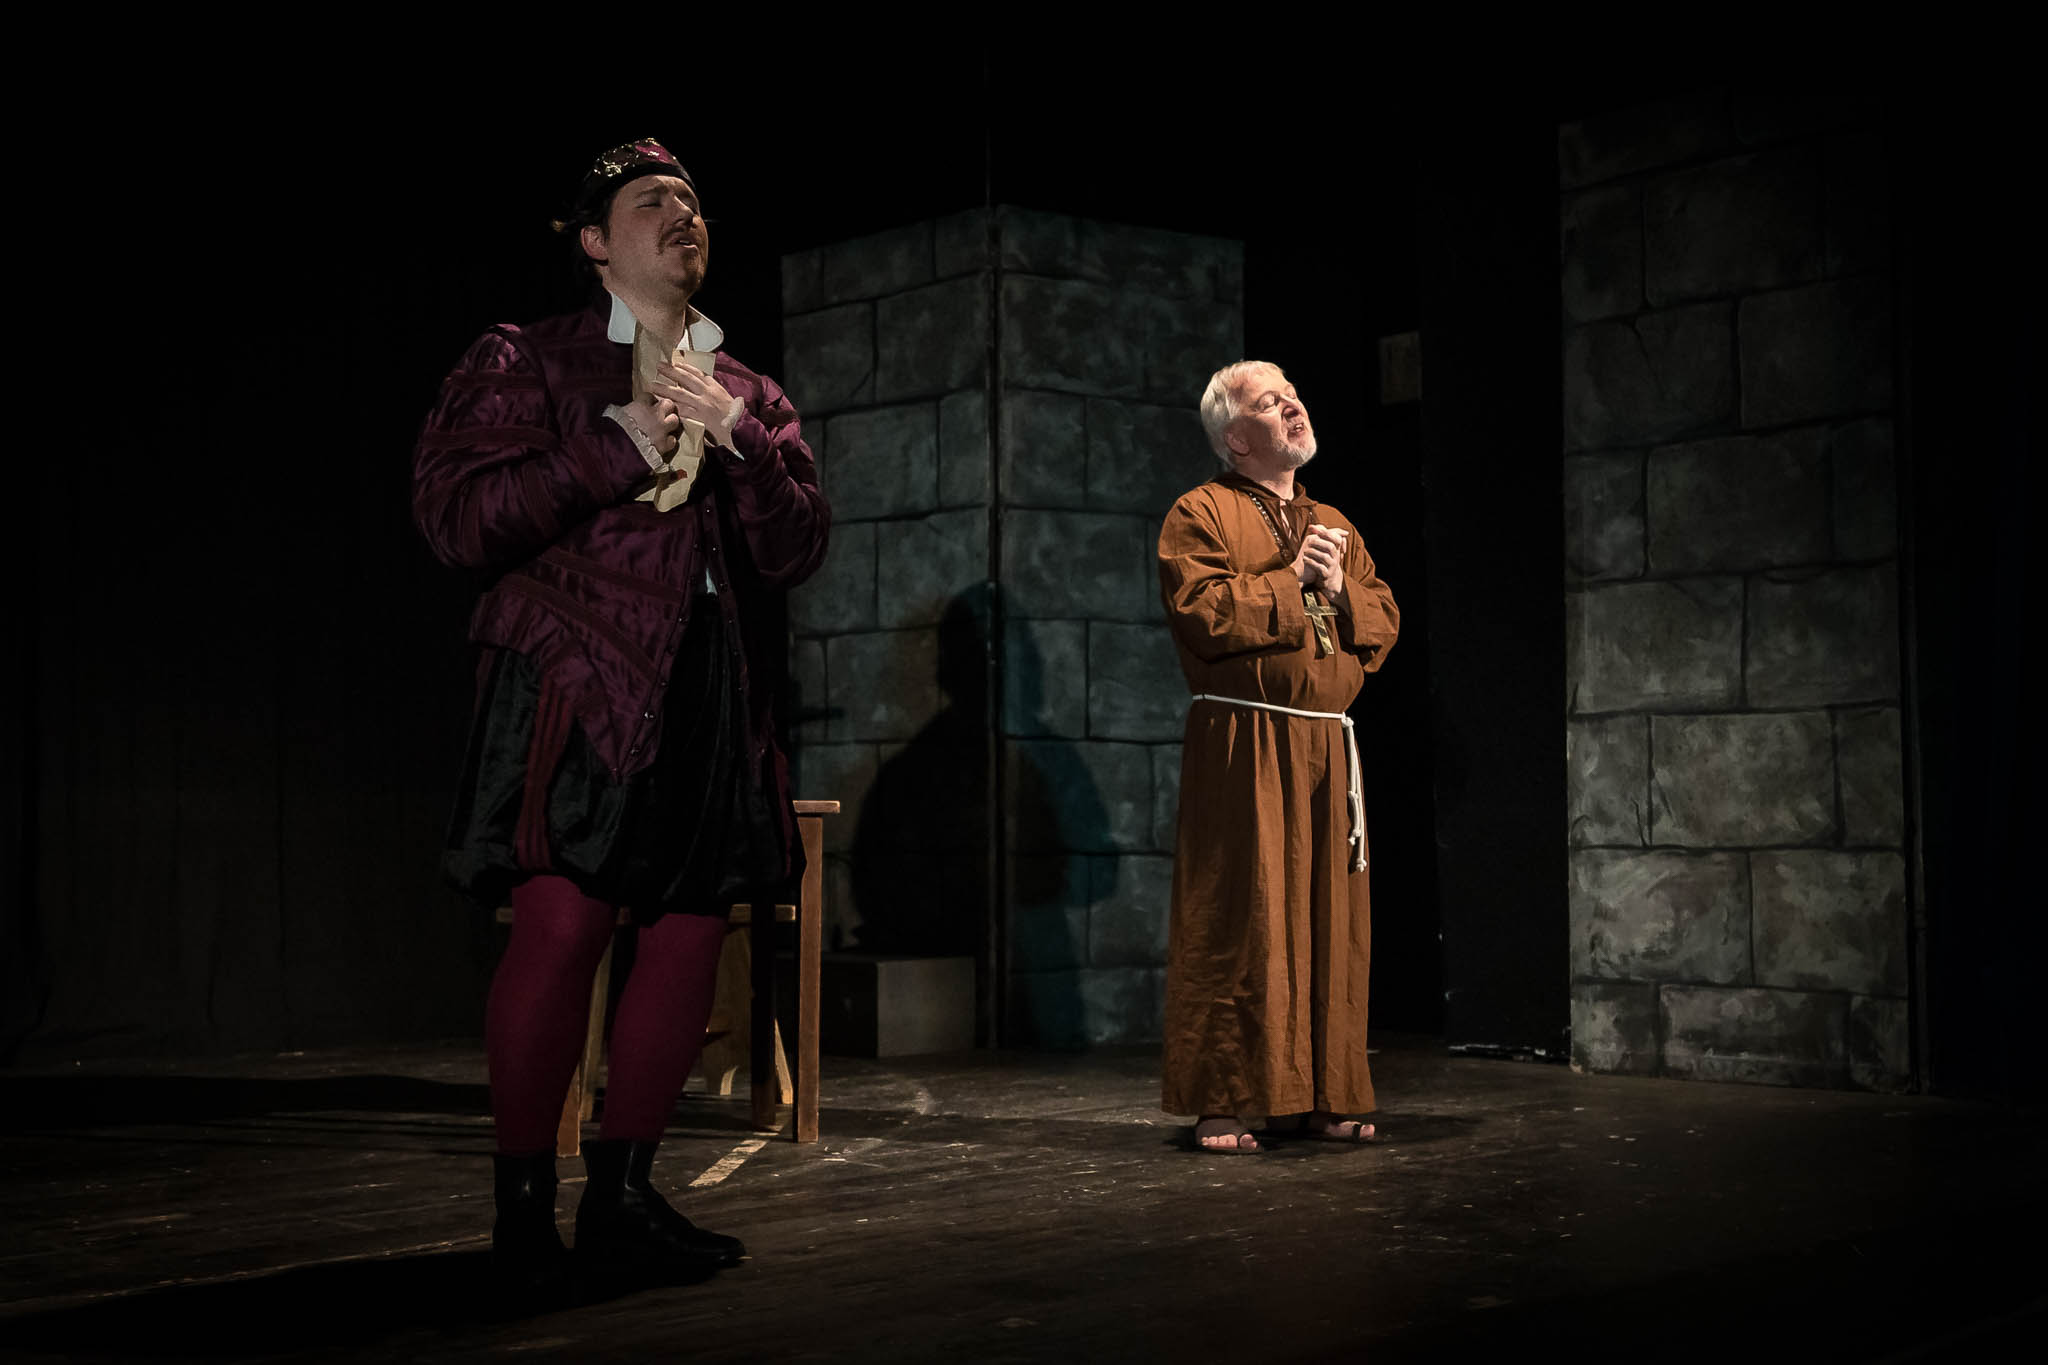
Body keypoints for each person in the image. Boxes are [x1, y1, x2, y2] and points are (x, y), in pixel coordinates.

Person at [411, 138, 829, 1285]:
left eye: (692, 200)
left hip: (708, 674)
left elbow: (794, 552)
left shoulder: (747, 388)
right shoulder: (530, 359)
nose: (681, 215)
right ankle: (521, 1217)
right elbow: (457, 519)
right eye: (651, 203)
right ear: (596, 242)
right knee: (565, 923)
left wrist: (742, 446)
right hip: (579, 667)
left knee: (692, 926)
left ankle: (626, 1199)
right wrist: (614, 445)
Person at [1156, 360, 1399, 1154]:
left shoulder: (1335, 521)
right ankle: (1224, 1099)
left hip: (1327, 744)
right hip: (1246, 741)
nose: (1293, 403)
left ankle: (1322, 1092)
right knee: (1243, 912)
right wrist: (1293, 580)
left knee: (1330, 922)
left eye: (1293, 392)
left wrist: (1340, 589)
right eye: (1270, 400)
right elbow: (1203, 610)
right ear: (1236, 437)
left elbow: (1383, 615)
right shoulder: (1200, 513)